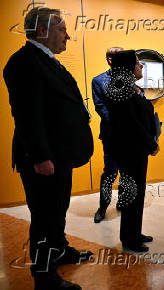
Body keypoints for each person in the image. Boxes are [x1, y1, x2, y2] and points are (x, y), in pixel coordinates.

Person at [3, 7, 94, 289]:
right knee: (44, 216)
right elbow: (28, 116)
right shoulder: (23, 62)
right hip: (43, 159)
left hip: (60, 156)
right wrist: (41, 157)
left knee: (58, 209)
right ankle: (44, 277)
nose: (67, 35)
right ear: (43, 31)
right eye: (61, 29)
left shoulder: (47, 60)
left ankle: (60, 249)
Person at [104, 50, 159, 252]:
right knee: (132, 194)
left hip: (136, 150)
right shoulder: (120, 87)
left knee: (137, 193)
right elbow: (132, 124)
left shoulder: (128, 86)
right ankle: (129, 239)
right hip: (130, 150)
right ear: (127, 67)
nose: (141, 66)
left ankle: (134, 232)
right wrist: (151, 144)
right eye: (137, 63)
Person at [92, 47, 124, 223]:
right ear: (109, 60)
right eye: (112, 57)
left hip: (130, 135)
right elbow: (100, 107)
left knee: (128, 172)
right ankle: (103, 206)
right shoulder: (98, 81)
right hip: (111, 134)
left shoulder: (131, 78)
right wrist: (121, 121)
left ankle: (123, 202)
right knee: (110, 172)